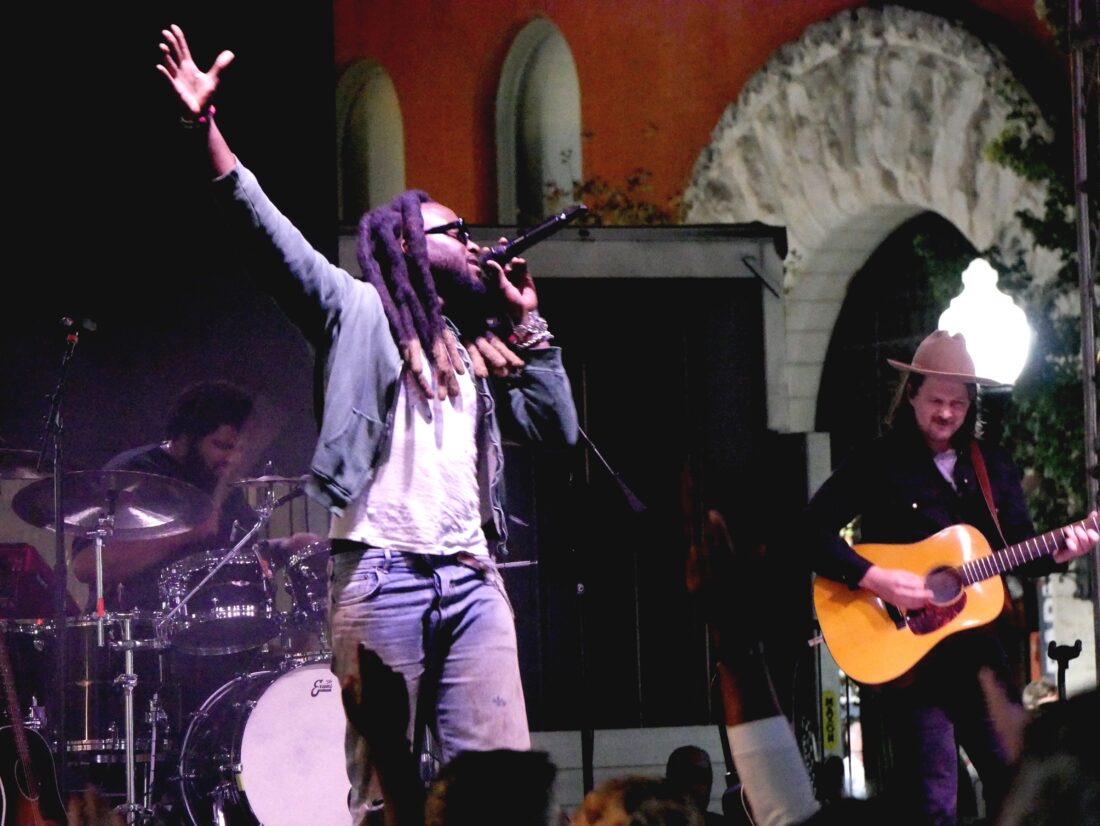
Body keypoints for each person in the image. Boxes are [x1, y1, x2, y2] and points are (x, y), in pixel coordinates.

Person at [156, 24, 579, 825]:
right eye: (454, 230)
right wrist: (205, 129)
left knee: (500, 788)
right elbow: (265, 237)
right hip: (381, 576)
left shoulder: (476, 345)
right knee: (387, 793)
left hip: (471, 576)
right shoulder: (353, 310)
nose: (475, 242)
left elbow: (556, 432)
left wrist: (531, 328)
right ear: (407, 245)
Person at [798, 330, 1098, 825]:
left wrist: (1065, 550)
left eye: (958, 403)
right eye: (936, 400)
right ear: (911, 394)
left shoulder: (992, 466)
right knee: (934, 800)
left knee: (1013, 781)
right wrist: (876, 579)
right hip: (910, 662)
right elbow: (809, 532)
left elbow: (1018, 550)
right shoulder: (876, 462)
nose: (946, 413)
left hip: (978, 655)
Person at [70, 379, 306, 611]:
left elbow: (237, 551)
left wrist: (287, 548)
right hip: (137, 634)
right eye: (222, 446)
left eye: (240, 449)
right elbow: (86, 566)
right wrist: (182, 534)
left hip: (208, 628)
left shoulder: (220, 480)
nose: (233, 459)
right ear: (184, 440)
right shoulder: (131, 474)